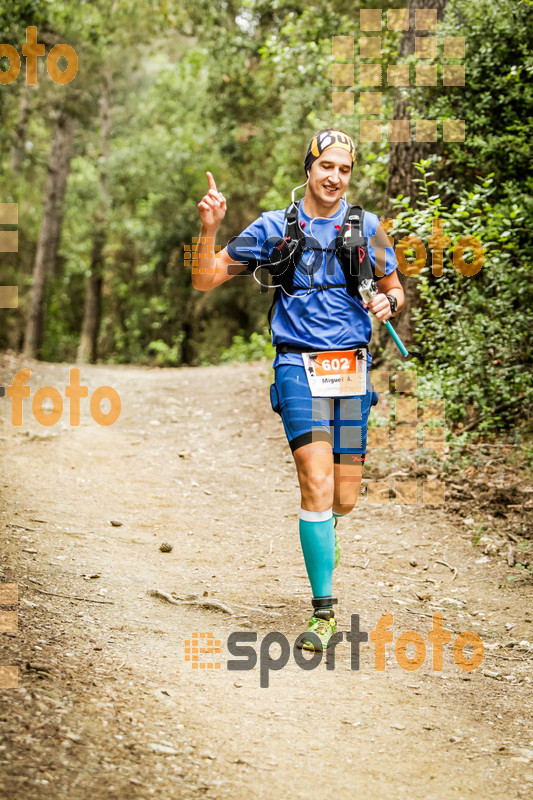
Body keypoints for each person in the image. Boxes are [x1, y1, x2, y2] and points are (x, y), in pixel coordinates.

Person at [192, 129, 404, 650]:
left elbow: (394, 290)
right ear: (308, 168)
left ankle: (323, 537)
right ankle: (323, 612)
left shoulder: (367, 228)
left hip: (352, 368)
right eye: (326, 166)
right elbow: (205, 277)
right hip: (297, 367)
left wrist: (387, 305)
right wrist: (210, 229)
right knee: (315, 481)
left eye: (345, 170)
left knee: (344, 498)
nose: (335, 177)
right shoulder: (275, 227)